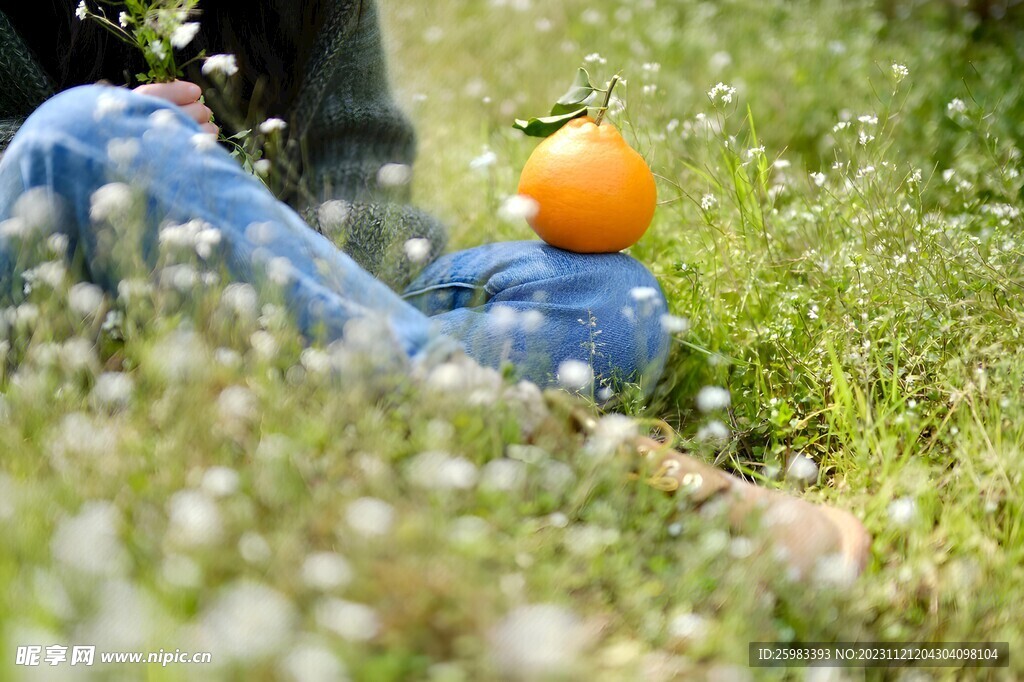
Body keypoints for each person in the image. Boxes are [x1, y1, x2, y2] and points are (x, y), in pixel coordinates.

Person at [0, 1, 869, 574]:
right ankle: (560, 446)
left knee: (610, 304)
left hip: (284, 320)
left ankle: (233, 419)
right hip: (45, 322)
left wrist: (255, 262)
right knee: (86, 132)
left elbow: (361, 171)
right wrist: (117, 150)